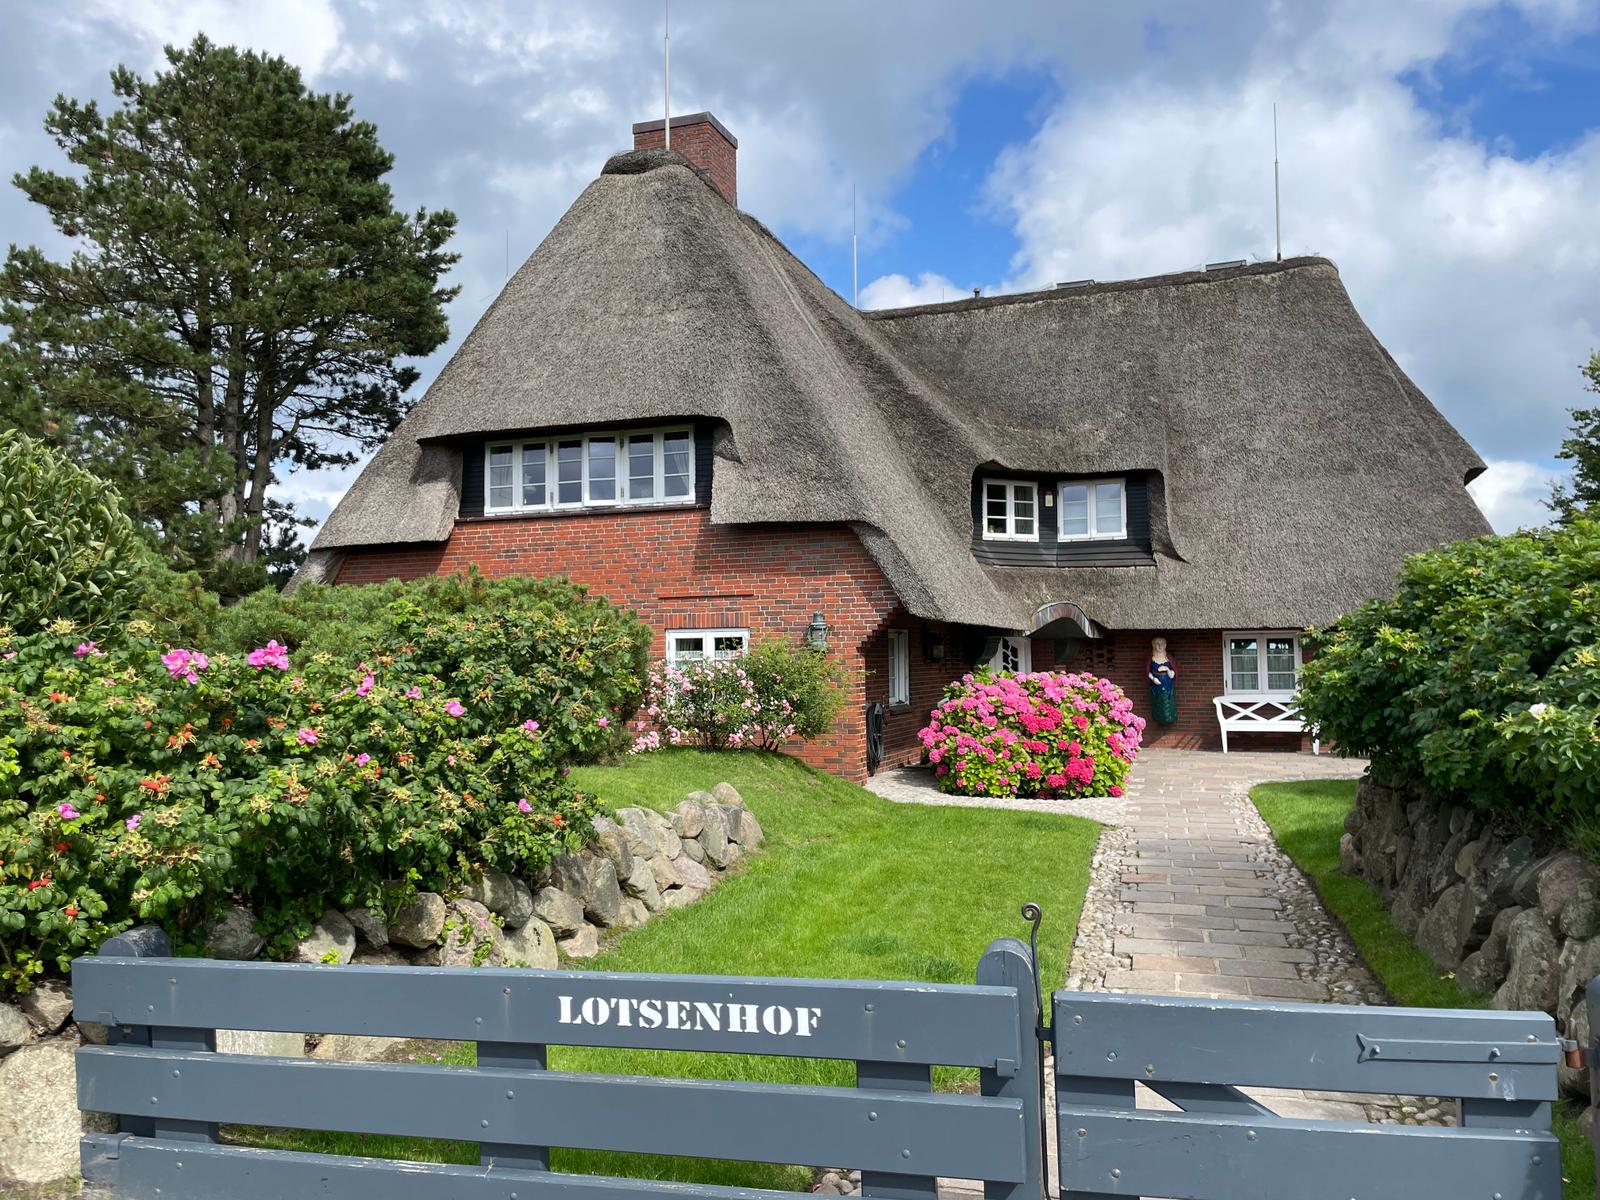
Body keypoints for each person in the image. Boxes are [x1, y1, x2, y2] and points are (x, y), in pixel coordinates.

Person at [1147, 636, 1178, 724]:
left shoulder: (1169, 658)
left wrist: (1167, 669)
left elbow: (1173, 674)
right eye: (1157, 644)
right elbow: (1148, 672)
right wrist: (1153, 679)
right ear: (1153, 645)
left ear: (1165, 645)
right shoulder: (1151, 658)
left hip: (1168, 683)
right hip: (1156, 684)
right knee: (1158, 700)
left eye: (1162, 644)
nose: (1160, 646)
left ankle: (1169, 717)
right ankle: (1158, 718)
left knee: (1168, 700)